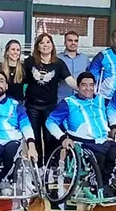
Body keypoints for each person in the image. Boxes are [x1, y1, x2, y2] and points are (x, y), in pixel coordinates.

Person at [46, 72, 116, 200]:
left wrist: (114, 126)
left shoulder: (101, 100)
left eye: (91, 85)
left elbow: (114, 110)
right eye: (84, 85)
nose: (88, 88)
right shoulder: (69, 102)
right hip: (83, 142)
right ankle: (96, 185)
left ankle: (108, 184)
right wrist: (63, 138)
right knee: (98, 158)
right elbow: (50, 122)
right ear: (78, 87)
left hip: (103, 140)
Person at [24, 33, 77, 164]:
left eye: (48, 42)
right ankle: (36, 167)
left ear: (52, 45)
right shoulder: (30, 62)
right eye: (42, 43)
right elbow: (20, 79)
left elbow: (69, 81)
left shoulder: (59, 63)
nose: (45, 45)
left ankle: (49, 168)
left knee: (50, 138)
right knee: (34, 138)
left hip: (50, 106)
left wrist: (84, 89)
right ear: (37, 46)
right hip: (32, 106)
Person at [57, 31, 90, 102]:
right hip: (61, 98)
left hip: (81, 99)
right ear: (64, 43)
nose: (73, 43)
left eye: (76, 41)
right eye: (70, 40)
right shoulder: (57, 58)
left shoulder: (85, 58)